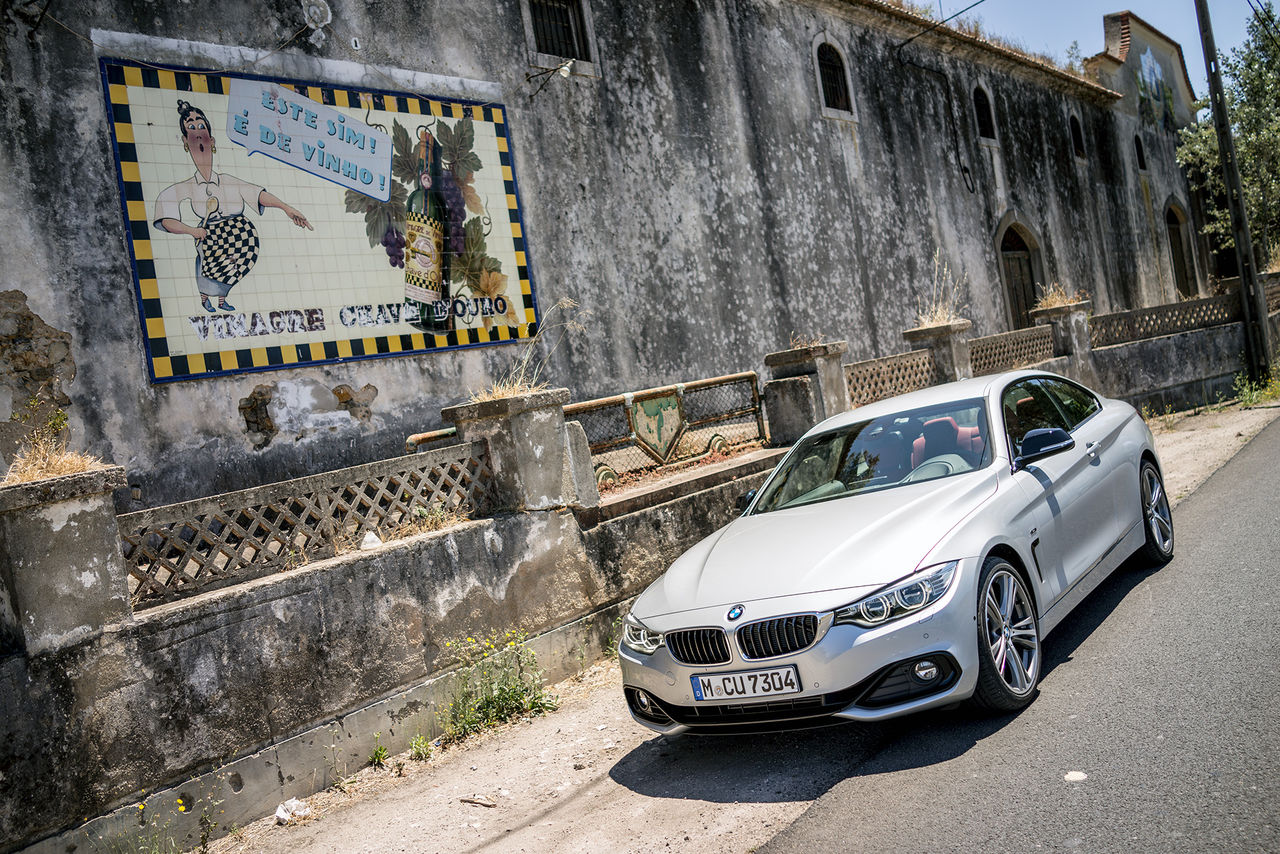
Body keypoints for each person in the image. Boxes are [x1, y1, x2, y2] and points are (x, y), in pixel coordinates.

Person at [153, 100, 313, 312]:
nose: (197, 131)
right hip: (210, 237)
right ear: (185, 140)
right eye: (191, 128)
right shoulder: (188, 187)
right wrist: (192, 231)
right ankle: (204, 299)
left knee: (233, 266)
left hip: (239, 235)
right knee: (209, 266)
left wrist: (286, 208)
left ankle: (221, 300)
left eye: (201, 126)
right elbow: (165, 216)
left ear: (211, 138)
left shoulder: (228, 181)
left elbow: (257, 194)